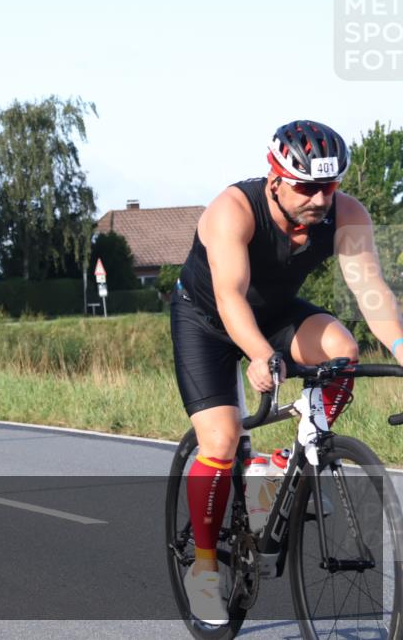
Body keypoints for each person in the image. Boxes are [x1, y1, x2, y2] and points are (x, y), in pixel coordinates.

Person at [170, 120, 403, 625]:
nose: (321, 199)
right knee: (222, 439)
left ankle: (279, 462)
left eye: (330, 185)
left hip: (274, 311)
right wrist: (258, 354)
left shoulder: (346, 214)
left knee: (342, 350)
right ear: (275, 177)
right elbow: (230, 296)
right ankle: (205, 570)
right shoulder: (232, 210)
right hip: (207, 319)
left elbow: (371, 292)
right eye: (308, 187)